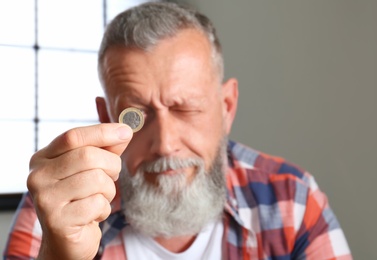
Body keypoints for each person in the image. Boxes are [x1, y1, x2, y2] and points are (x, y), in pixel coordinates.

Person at [4, 2, 352, 259]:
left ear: (227, 107)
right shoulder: (58, 208)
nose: (166, 144)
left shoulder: (292, 200)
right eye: (136, 114)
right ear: (107, 116)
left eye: (186, 108)